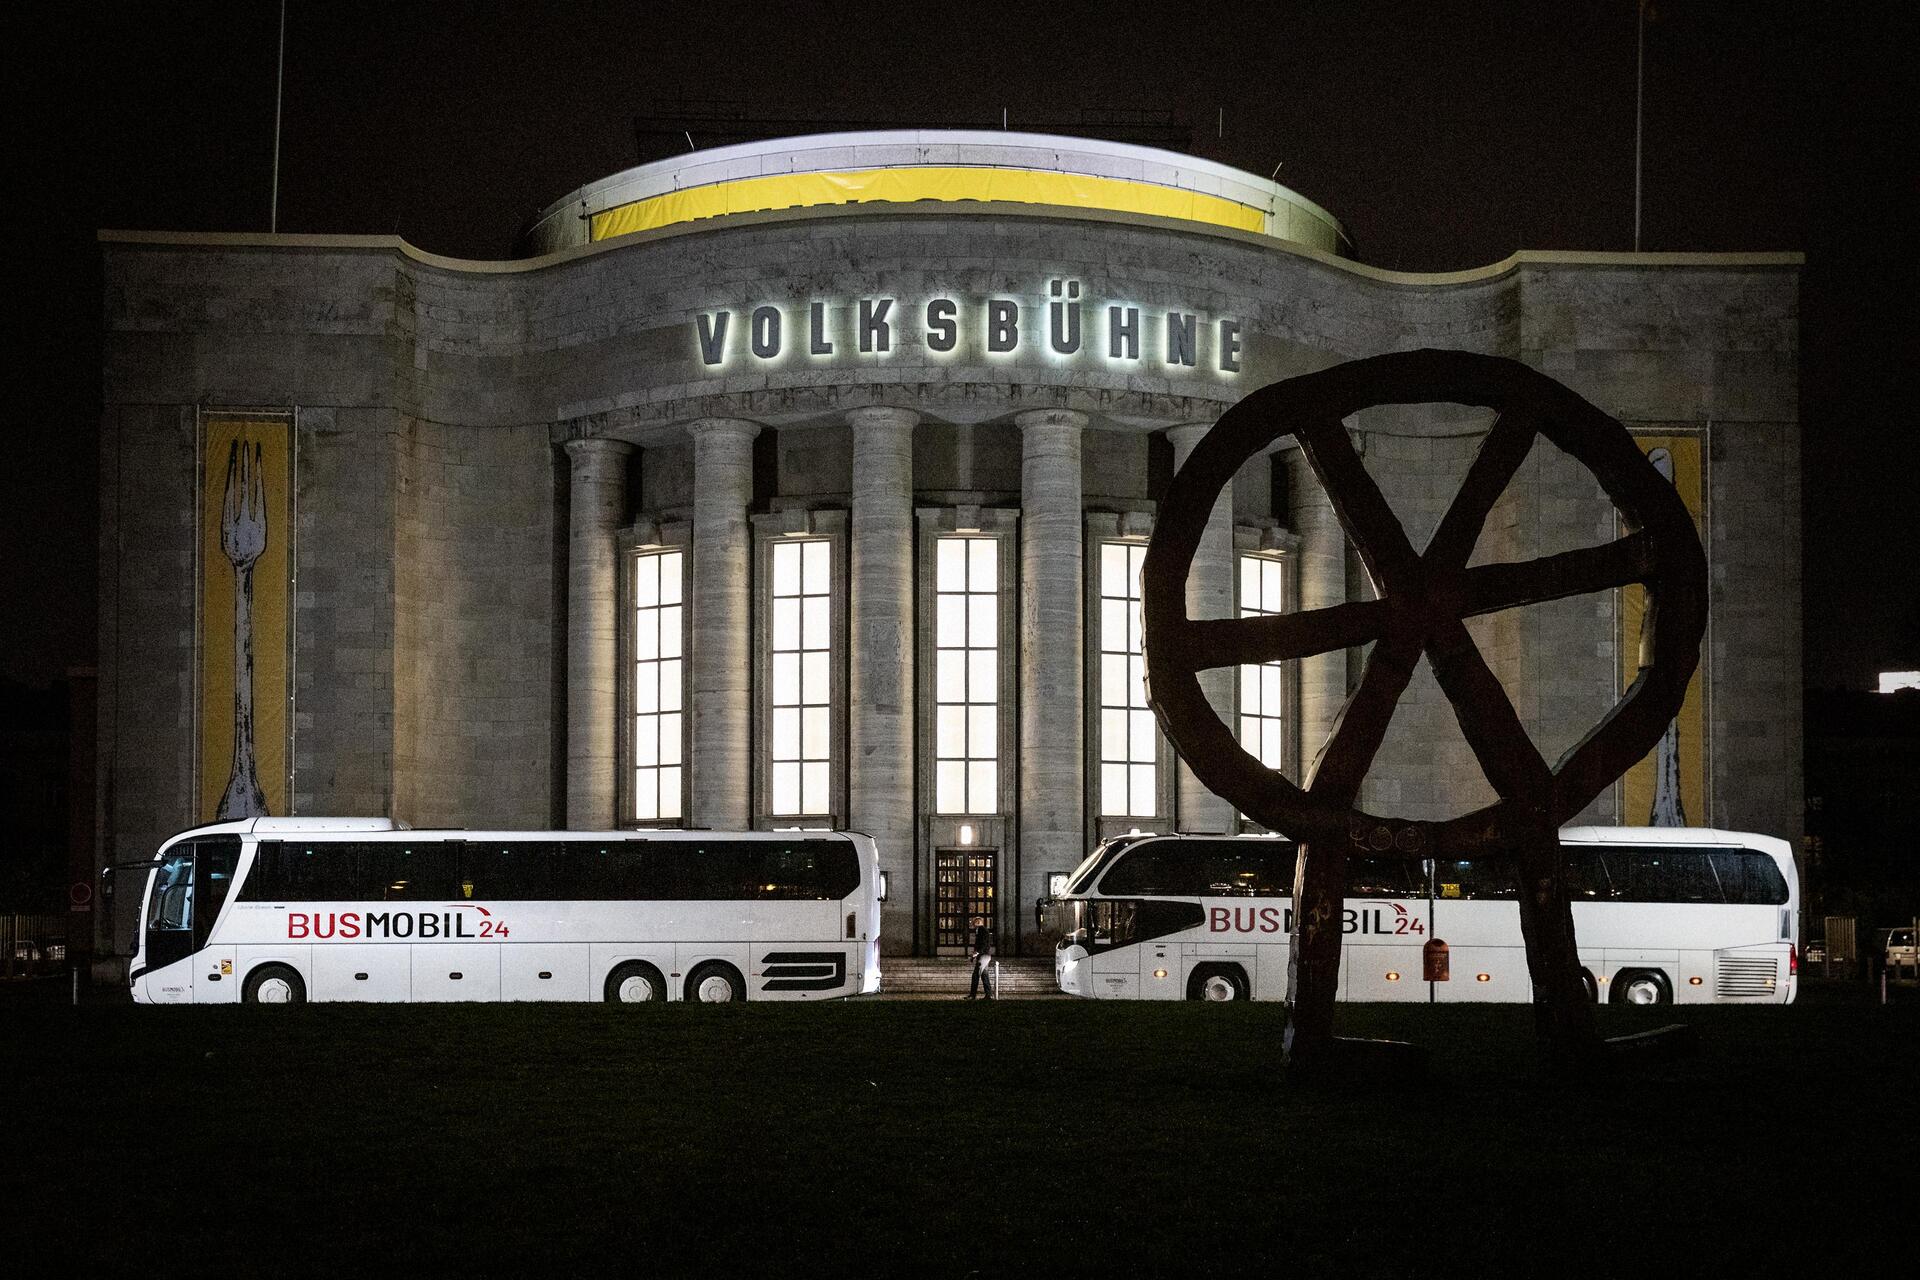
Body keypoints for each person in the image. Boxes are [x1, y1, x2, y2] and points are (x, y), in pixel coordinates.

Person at [967, 917, 995, 1000]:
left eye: (973, 923)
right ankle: (988, 995)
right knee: (984, 975)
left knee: (975, 975)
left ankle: (973, 995)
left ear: (977, 922)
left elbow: (983, 944)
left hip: (983, 956)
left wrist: (977, 952)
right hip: (985, 955)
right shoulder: (983, 930)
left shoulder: (981, 930)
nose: (972, 924)